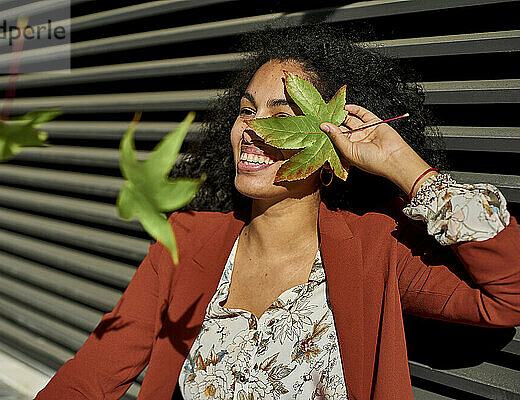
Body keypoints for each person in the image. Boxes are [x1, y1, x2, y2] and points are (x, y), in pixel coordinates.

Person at [35, 23, 520, 400]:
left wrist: (406, 168)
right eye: (247, 110)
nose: (252, 129)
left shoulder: (376, 248)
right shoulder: (185, 242)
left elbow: (507, 296)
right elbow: (92, 374)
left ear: (331, 149)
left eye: (282, 116)